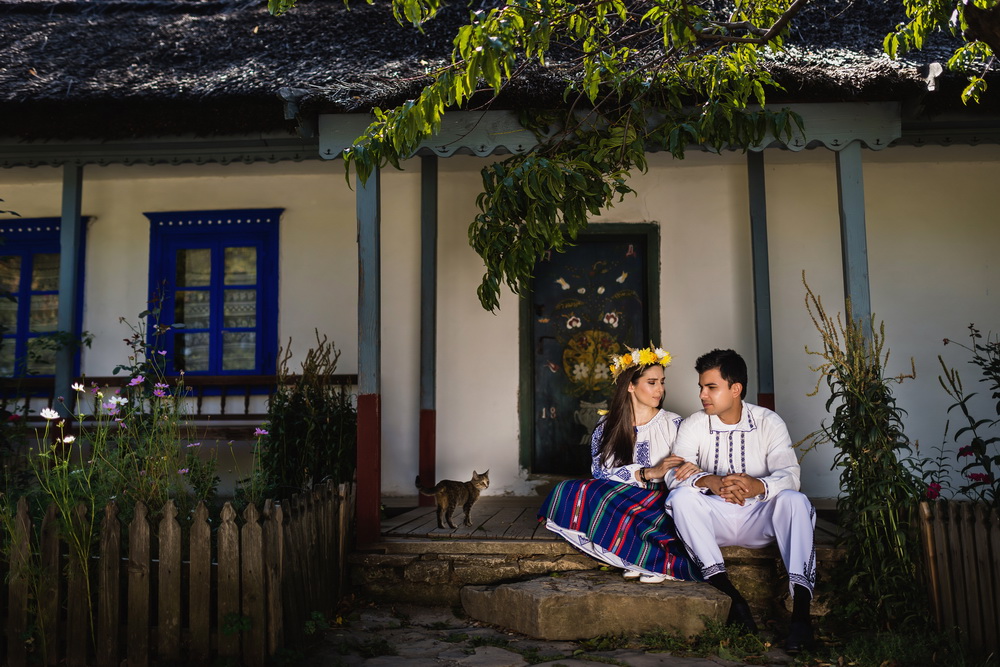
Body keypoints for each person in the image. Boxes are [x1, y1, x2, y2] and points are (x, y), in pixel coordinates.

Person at [665, 348, 816, 653]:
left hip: (759, 518)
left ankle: (801, 617)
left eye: (711, 387)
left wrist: (757, 485)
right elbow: (673, 474)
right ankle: (733, 599)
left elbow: (790, 475)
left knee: (795, 501)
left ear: (735, 389)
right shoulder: (694, 424)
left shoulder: (768, 421)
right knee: (681, 498)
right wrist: (711, 481)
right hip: (715, 520)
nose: (702, 395)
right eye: (701, 387)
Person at [538, 346, 702, 583]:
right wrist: (645, 473)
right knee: (569, 489)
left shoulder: (673, 423)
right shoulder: (607, 425)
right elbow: (599, 472)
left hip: (659, 499)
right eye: (652, 382)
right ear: (630, 386)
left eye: (662, 382)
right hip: (620, 496)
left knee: (667, 504)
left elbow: (687, 469)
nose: (660, 389)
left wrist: (660, 477)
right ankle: (631, 559)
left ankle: (651, 563)